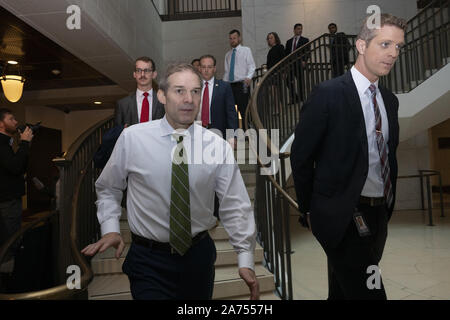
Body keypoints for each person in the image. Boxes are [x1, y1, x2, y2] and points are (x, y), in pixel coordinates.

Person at [82, 63, 259, 300]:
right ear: (162, 95)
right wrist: (110, 227)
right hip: (148, 260)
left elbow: (235, 204)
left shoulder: (217, 145)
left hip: (199, 258)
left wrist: (245, 256)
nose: (189, 99)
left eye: (195, 91)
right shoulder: (133, 138)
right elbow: (108, 187)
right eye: (179, 91)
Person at [290, 13, 406, 300]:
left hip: (377, 214)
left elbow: (388, 157)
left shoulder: (389, 101)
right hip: (342, 214)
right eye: (385, 44)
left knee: (343, 292)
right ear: (362, 46)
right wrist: (309, 210)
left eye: (398, 47)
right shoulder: (328, 94)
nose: (393, 53)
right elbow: (302, 156)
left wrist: (385, 205)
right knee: (370, 291)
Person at [0, 109, 33, 261]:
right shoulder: (1, 144)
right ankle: (9, 276)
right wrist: (25, 143)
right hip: (7, 200)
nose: (16, 122)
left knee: (13, 235)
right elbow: (15, 167)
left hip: (10, 198)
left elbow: (20, 167)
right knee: (10, 239)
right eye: (11, 119)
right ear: (1, 124)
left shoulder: (7, 143)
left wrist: (24, 145)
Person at [197, 54, 238, 145]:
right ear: (199, 68)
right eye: (203, 67)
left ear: (214, 69)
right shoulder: (193, 87)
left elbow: (231, 113)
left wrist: (233, 136)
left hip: (219, 133)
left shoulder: (224, 87)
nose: (206, 70)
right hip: (197, 132)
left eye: (209, 67)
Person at [114, 56, 165, 127]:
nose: (142, 74)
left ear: (154, 74)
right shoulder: (122, 104)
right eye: (139, 70)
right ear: (134, 74)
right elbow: (117, 134)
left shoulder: (164, 101)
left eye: (146, 70)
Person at [223, 29, 256, 122]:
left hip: (242, 84)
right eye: (230, 38)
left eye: (234, 38)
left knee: (244, 109)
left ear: (239, 38)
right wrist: (224, 86)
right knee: (232, 110)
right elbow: (226, 72)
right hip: (230, 86)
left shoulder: (246, 50)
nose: (232, 40)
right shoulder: (227, 55)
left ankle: (247, 131)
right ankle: (237, 131)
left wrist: (249, 77)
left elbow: (252, 65)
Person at [285, 24, 310, 102]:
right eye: (298, 29)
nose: (300, 30)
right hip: (291, 64)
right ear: (294, 30)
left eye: (301, 29)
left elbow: (307, 51)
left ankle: (301, 98)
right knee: (287, 80)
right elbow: (286, 54)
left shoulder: (305, 40)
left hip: (300, 63)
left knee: (300, 81)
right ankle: (295, 97)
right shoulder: (289, 42)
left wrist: (304, 60)